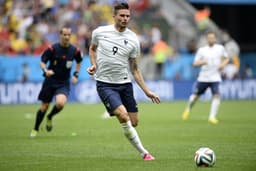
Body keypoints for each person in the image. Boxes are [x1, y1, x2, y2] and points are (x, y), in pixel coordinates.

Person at [87, 3, 160, 161]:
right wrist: (93, 64)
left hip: (125, 84)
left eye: (127, 16)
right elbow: (92, 48)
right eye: (122, 15)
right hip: (105, 84)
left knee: (134, 122)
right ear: (114, 16)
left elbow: (135, 68)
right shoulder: (100, 32)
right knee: (123, 116)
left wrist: (147, 91)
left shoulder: (133, 38)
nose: (125, 18)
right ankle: (144, 153)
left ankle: (113, 109)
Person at [30, 26, 83, 137]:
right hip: (50, 81)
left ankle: (50, 117)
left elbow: (79, 62)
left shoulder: (75, 50)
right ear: (60, 35)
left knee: (60, 103)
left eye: (69, 35)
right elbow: (42, 62)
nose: (67, 37)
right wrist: (45, 70)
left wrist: (76, 74)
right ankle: (35, 129)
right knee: (44, 107)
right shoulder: (52, 49)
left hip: (63, 82)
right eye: (65, 35)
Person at [182, 31, 229, 124]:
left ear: (215, 39)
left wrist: (222, 64)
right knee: (195, 97)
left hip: (215, 77)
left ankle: (212, 117)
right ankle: (188, 109)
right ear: (207, 39)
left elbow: (226, 58)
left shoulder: (220, 48)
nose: (211, 39)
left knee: (216, 95)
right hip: (204, 77)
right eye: (209, 38)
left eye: (212, 37)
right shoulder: (202, 50)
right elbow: (195, 64)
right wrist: (202, 62)